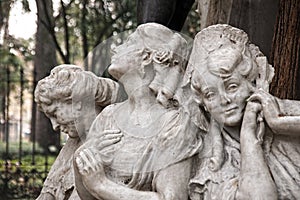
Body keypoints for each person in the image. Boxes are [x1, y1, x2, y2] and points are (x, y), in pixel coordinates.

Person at [73, 23, 203, 200]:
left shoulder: (175, 124)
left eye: (128, 42)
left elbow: (172, 198)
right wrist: (80, 163)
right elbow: (85, 195)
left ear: (147, 58)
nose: (115, 48)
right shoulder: (108, 116)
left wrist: (102, 185)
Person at [187, 24, 300, 200]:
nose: (224, 100)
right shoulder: (212, 164)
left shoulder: (285, 112)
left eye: (232, 86)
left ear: (252, 84)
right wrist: (249, 138)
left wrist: (280, 123)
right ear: (204, 105)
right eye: (210, 94)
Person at [35, 65, 120, 200]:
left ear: (77, 102)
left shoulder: (112, 137)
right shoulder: (74, 142)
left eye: (54, 114)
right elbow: (46, 196)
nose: (54, 126)